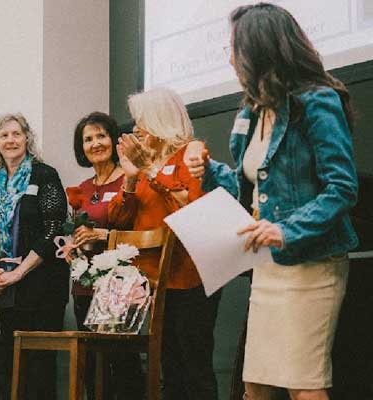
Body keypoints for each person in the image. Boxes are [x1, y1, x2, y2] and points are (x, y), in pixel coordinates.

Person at [185, 4, 358, 400]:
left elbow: (341, 187)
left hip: (312, 263)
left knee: (304, 388)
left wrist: (286, 230)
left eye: (234, 48)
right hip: (269, 268)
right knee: (255, 387)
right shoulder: (251, 111)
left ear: (259, 49)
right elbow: (247, 187)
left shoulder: (317, 101)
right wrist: (207, 169)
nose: (230, 59)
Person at [110, 87, 220, 400]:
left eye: (141, 122)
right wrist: (131, 178)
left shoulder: (190, 154)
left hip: (190, 277)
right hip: (155, 283)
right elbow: (119, 219)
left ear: (160, 120)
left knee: (193, 367)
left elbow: (193, 210)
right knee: (168, 369)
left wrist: (151, 171)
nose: (136, 130)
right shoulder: (143, 166)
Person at [0, 113, 69, 400]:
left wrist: (18, 273)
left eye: (16, 134)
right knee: (3, 367)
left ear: (27, 138)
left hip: (40, 288)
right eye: (4, 135)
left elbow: (53, 229)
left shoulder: (44, 175)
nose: (11, 140)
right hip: (0, 288)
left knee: (38, 371)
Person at [70, 111, 143, 399]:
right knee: (92, 368)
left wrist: (103, 235)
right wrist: (72, 247)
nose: (95, 143)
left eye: (101, 136)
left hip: (120, 286)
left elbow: (137, 229)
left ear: (113, 140)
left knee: (122, 366)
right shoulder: (82, 189)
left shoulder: (130, 179)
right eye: (88, 139)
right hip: (84, 286)